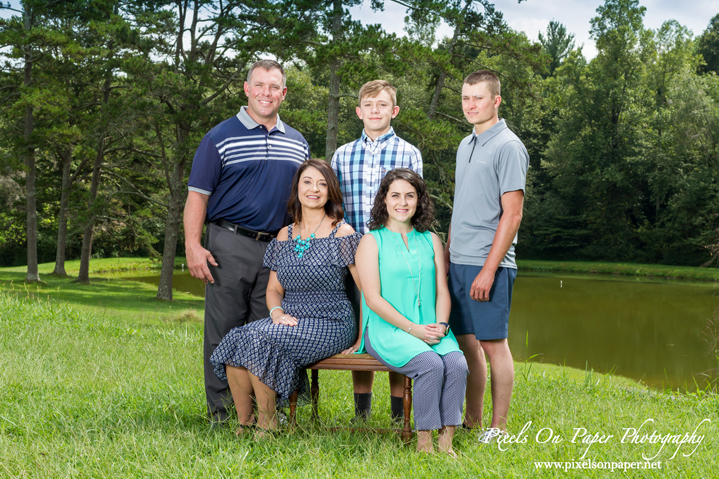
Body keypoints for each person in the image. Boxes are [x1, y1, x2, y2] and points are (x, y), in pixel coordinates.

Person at [184, 59, 310, 427]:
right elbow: (197, 197)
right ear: (246, 89)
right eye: (259, 85)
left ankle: (265, 415)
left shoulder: (298, 142)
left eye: (274, 87)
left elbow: (305, 200)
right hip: (229, 244)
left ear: (283, 93)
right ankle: (223, 416)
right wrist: (193, 245)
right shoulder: (219, 137)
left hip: (278, 249)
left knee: (268, 334)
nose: (266, 93)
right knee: (223, 332)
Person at [210, 159, 362, 436]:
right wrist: (276, 313)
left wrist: (362, 336)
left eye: (322, 183)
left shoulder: (343, 232)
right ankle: (245, 423)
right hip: (290, 319)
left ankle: (269, 426)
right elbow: (273, 290)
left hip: (331, 321)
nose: (314, 189)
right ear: (297, 188)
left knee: (260, 340)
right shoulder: (284, 235)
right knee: (236, 337)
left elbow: (365, 289)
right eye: (307, 182)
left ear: (331, 192)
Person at [355, 169, 468, 455]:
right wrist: (413, 329)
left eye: (410, 195)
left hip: (431, 327)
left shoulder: (430, 240)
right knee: (431, 364)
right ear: (384, 200)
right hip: (388, 329)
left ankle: (447, 441)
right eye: (395, 195)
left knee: (457, 364)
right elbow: (372, 298)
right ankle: (424, 443)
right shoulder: (371, 241)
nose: (402, 202)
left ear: (419, 201)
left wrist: (441, 325)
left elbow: (442, 291)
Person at [444, 70, 528, 442]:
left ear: (496, 100)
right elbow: (460, 206)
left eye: (478, 98)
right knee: (466, 344)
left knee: (494, 345)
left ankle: (499, 429)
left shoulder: (509, 146)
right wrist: (446, 254)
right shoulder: (466, 144)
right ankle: (473, 420)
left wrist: (488, 271)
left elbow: (513, 214)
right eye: (465, 98)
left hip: (487, 264)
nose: (470, 105)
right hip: (458, 262)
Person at [331, 79, 422, 422]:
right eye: (368, 105)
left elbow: (412, 204)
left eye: (382, 105)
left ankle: (399, 412)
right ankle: (362, 412)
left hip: (394, 255)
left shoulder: (408, 153)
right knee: (363, 334)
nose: (375, 111)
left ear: (393, 110)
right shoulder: (343, 155)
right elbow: (334, 209)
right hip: (354, 258)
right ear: (358, 111)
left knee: (396, 329)